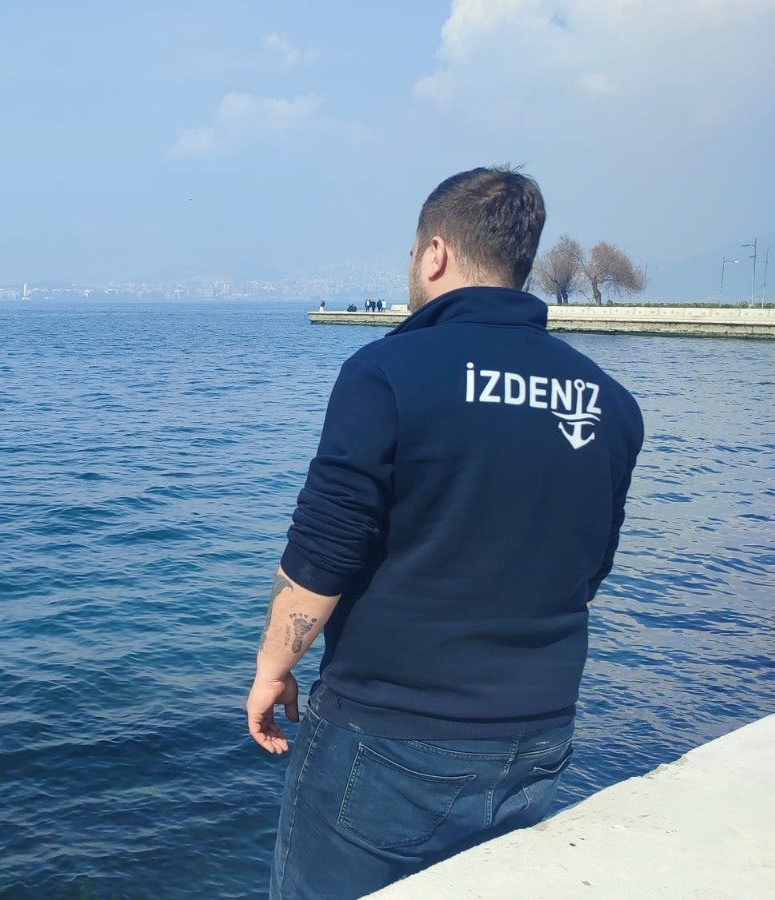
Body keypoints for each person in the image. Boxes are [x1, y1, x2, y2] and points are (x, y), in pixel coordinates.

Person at [247, 166, 644, 899]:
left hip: (389, 741)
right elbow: (590, 569)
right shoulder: (611, 403)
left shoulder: (386, 373)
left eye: (412, 255)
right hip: (537, 738)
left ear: (435, 253)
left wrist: (274, 666)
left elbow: (324, 551)